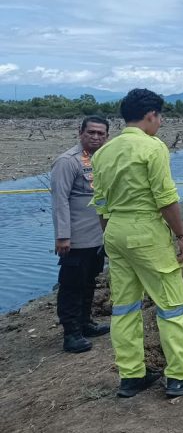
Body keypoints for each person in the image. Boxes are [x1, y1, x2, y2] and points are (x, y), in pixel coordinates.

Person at [91, 89, 183, 399]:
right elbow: (166, 199)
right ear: (150, 115)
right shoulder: (153, 147)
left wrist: (110, 233)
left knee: (124, 306)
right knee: (171, 305)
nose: (161, 122)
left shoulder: (103, 152)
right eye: (160, 117)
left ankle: (131, 376)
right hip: (146, 231)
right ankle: (179, 376)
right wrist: (181, 235)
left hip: (115, 230)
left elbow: (100, 204)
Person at [50, 115, 110, 354]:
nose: (96, 137)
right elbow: (60, 201)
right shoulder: (67, 161)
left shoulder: (103, 160)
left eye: (101, 134)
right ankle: (71, 334)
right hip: (75, 238)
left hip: (98, 236)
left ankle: (86, 323)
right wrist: (62, 236)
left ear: (107, 136)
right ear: (81, 132)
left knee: (89, 282)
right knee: (72, 285)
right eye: (91, 132)